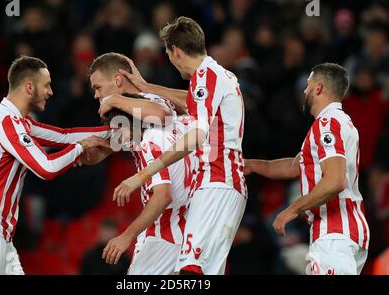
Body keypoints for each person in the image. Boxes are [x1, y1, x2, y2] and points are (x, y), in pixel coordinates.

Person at [0, 56, 111, 275]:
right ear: (29, 87)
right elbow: (46, 168)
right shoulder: (7, 123)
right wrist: (80, 148)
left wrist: (117, 134)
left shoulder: (15, 121)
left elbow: (64, 136)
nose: (50, 91)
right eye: (46, 85)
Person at [113, 16, 247, 275]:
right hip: (224, 182)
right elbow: (189, 101)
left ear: (175, 51)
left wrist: (143, 174)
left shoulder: (204, 76)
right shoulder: (218, 75)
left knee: (190, 271)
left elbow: (197, 135)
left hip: (216, 180)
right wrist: (146, 87)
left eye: (169, 55)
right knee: (197, 272)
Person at [245, 63, 369, 275]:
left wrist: (291, 210)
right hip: (343, 231)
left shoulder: (327, 124)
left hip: (335, 232)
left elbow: (335, 180)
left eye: (308, 85)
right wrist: (253, 165)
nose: (304, 91)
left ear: (319, 88)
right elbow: (294, 167)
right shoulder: (339, 122)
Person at [101, 95, 192, 275]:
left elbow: (163, 196)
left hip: (162, 236)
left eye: (119, 129)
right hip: (186, 233)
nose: (118, 139)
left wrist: (126, 236)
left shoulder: (149, 143)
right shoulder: (177, 129)